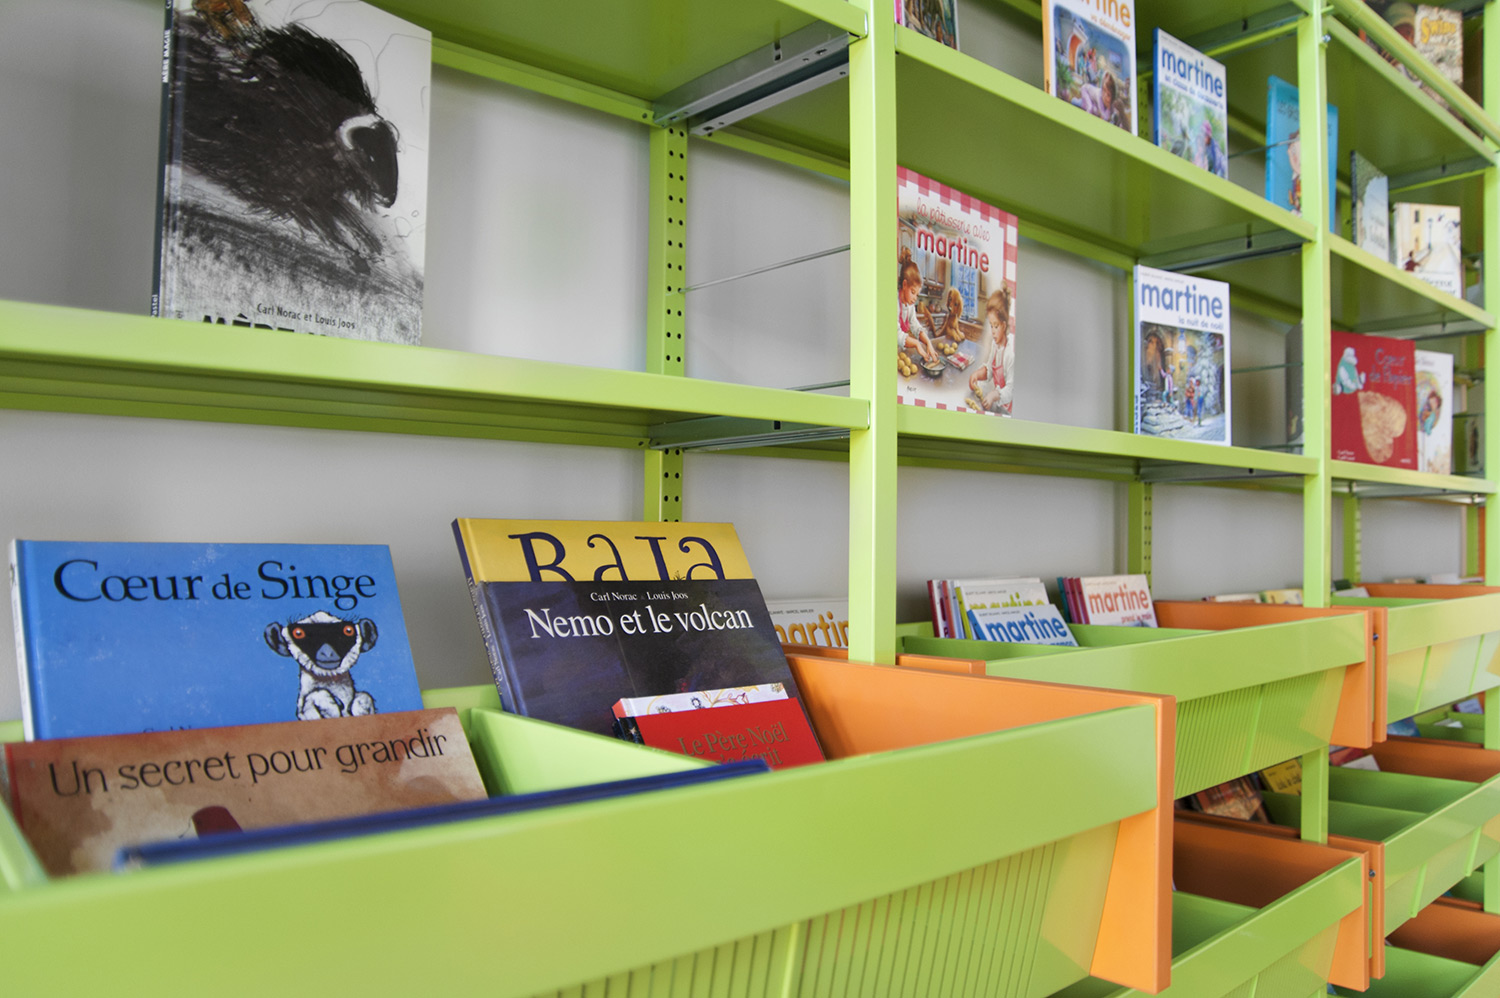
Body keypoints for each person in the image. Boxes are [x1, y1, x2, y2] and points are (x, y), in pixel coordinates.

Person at [969, 287, 1014, 415]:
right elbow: (989, 369)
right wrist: (977, 374)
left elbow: (1011, 390)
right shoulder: (995, 346)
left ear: (1004, 325)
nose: (993, 331)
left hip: (1008, 410)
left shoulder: (1009, 354)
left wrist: (994, 395)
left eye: (996, 326)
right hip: (997, 405)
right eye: (991, 326)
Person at [898, 259, 938, 364]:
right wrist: (916, 344)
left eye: (917, 294)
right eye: (913, 292)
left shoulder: (909, 305)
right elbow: (896, 334)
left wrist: (928, 342)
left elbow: (915, 325)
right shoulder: (894, 302)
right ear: (904, 284)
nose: (915, 298)